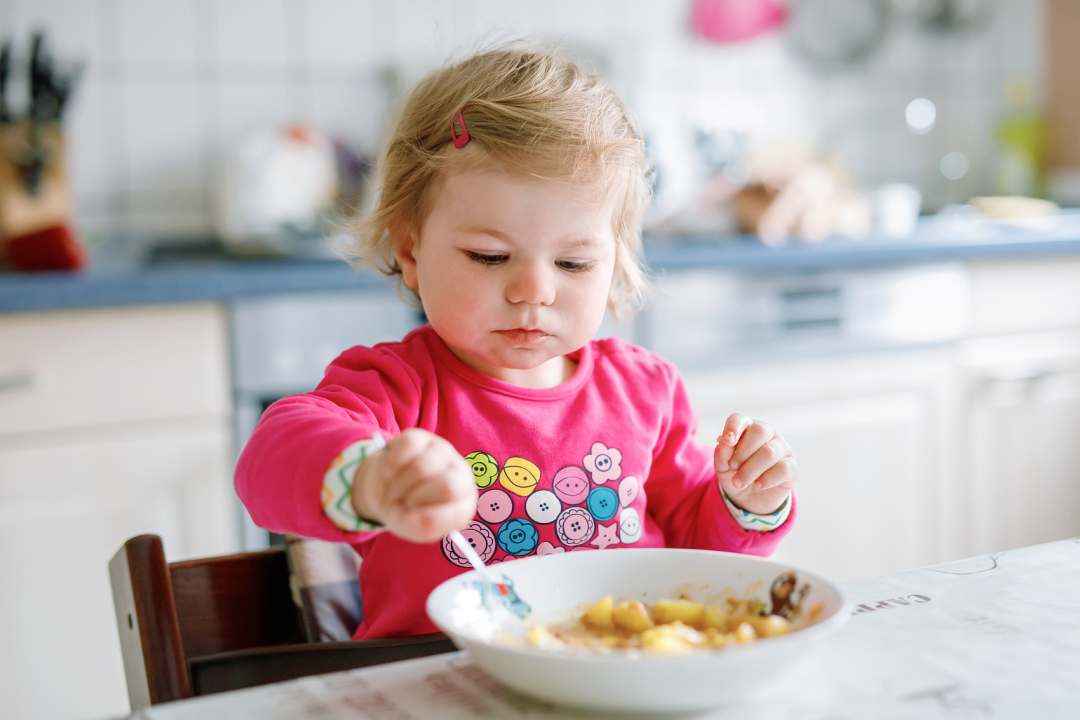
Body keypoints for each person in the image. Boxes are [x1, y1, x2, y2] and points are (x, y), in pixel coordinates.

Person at [235, 44, 799, 641]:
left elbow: (696, 553)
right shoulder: (398, 388)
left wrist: (746, 503)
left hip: (618, 676)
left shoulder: (645, 391)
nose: (534, 290)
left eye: (574, 263)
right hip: (437, 688)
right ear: (410, 251)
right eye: (490, 256)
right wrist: (370, 479)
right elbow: (267, 462)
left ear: (615, 264)